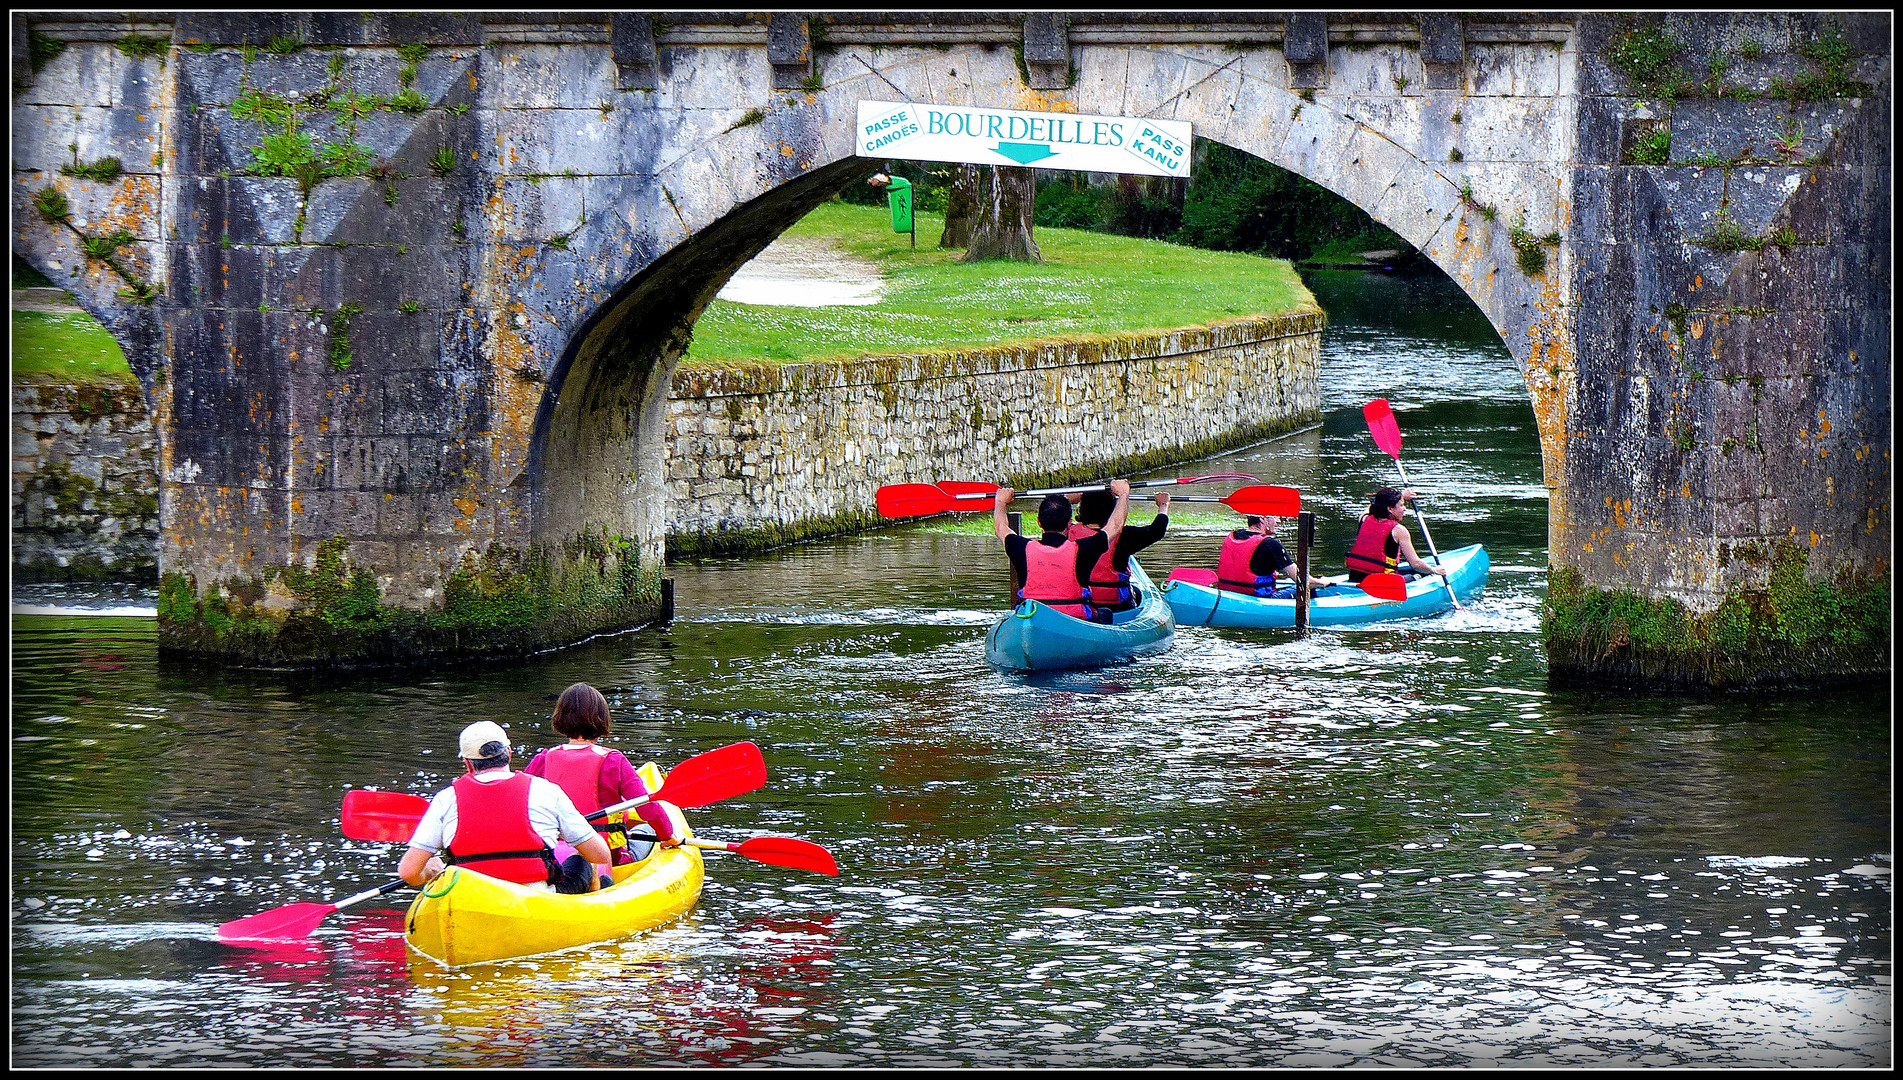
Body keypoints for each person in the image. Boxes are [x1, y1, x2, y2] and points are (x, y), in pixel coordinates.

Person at [400, 720, 622, 895]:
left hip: (471, 899)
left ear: (467, 763)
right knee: (584, 861)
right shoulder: (545, 790)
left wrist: (431, 872)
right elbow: (600, 854)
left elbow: (408, 872)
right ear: (509, 753)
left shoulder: (445, 799)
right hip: (536, 900)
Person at [522, 683, 684, 890]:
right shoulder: (613, 760)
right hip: (608, 855)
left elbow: (520, 806)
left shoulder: (543, 758)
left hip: (551, 854)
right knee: (644, 828)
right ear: (602, 720)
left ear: (560, 718)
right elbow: (647, 807)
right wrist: (668, 835)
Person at [994, 479, 1130, 623]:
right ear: (1069, 523)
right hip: (1075, 620)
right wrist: (1123, 495)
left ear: (1039, 522)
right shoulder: (1085, 549)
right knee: (1106, 613)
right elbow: (1115, 526)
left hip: (1034, 617)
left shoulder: (1020, 547)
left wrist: (1001, 501)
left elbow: (1000, 527)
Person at [1069, 488, 1170, 613]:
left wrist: (1067, 500)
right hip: (1117, 606)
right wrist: (1163, 505)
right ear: (1113, 510)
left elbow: (1053, 519)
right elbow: (1157, 530)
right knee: (1137, 592)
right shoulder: (1125, 536)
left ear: (1082, 507)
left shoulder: (1068, 533)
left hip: (1082, 601)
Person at [1343, 486, 1450, 585]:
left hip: (1355, 578)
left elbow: (1375, 504)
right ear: (1390, 509)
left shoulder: (1364, 518)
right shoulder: (1399, 530)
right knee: (1420, 574)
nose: (1405, 509)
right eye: (1401, 505)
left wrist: (1402, 495)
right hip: (1383, 583)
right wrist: (1434, 570)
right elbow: (1416, 564)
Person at [1216, 514, 1339, 598]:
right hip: (1259, 599)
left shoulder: (1233, 536)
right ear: (1263, 518)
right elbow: (1302, 580)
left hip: (1229, 594)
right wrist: (1322, 582)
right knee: (1309, 589)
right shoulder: (1271, 544)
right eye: (1275, 516)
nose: (1279, 521)